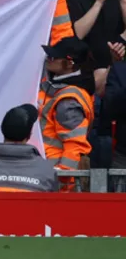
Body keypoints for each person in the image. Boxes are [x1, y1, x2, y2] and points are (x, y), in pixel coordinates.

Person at [40, 37, 96, 189]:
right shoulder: (63, 85)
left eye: (54, 57)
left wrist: (64, 178)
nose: (48, 59)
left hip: (54, 178)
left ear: (70, 64)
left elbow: (75, 144)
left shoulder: (69, 99)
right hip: (48, 171)